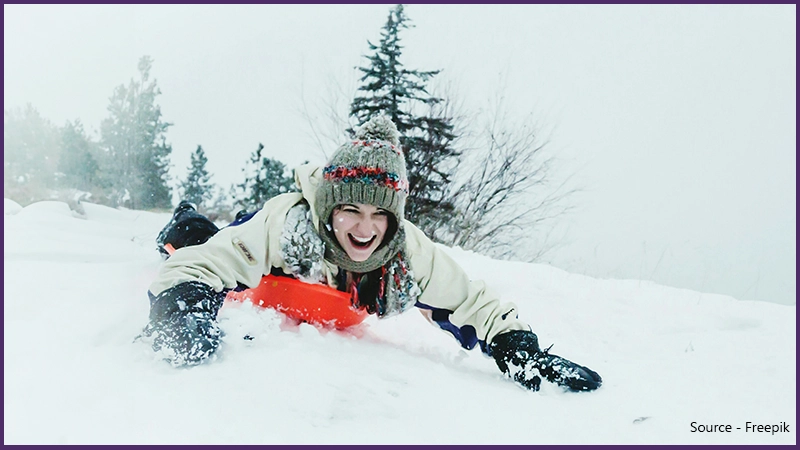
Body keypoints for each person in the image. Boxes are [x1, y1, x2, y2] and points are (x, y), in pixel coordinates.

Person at [140, 116, 602, 392]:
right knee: (193, 238)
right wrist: (179, 312)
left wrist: (519, 350)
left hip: (321, 297)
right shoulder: (288, 222)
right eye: (350, 210)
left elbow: (469, 301)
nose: (365, 229)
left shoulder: (404, 251)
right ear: (328, 208)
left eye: (379, 214)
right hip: (268, 269)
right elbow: (203, 265)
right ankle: (185, 214)